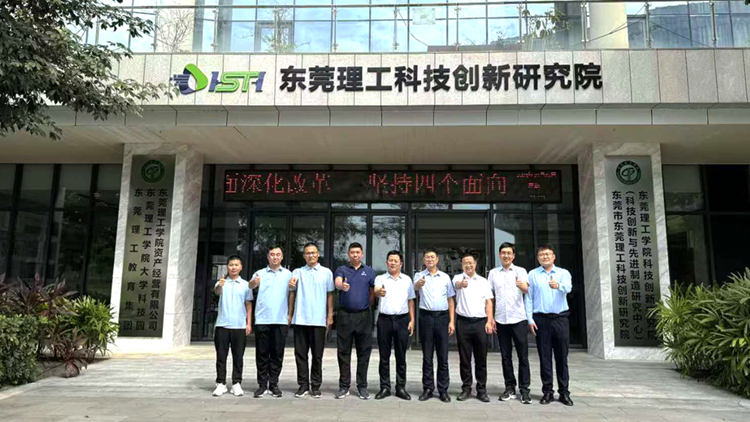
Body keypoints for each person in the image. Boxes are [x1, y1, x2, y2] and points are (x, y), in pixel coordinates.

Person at [526, 244, 574, 406]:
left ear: (553, 256)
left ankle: (564, 392)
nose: (545, 257)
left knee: (562, 357)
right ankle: (547, 391)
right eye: (541, 255)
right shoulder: (532, 274)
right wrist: (529, 319)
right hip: (541, 320)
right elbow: (529, 298)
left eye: (548, 254)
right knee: (544, 356)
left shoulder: (563, 273)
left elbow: (568, 288)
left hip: (560, 319)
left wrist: (558, 286)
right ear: (538, 258)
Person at [288, 243, 334, 399]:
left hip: (319, 320)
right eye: (307, 253)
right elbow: (292, 293)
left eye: (313, 252)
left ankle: (315, 386)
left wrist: (330, 315)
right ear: (304, 256)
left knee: (317, 355)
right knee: (300, 355)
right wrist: (290, 314)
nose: (311, 255)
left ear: (318, 254)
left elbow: (330, 295)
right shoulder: (297, 272)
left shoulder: (326, 273)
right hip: (300, 319)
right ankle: (303, 385)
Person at [488, 242, 531, 404]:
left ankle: (524, 390)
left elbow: (527, 290)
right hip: (501, 320)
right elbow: (490, 297)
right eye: (503, 253)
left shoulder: (521, 271)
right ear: (499, 255)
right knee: (505, 356)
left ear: (513, 256)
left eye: (509, 253)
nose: (506, 255)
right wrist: (491, 318)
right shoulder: (493, 273)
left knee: (523, 356)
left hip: (518, 319)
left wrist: (523, 286)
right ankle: (510, 388)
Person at [333, 242, 376, 400]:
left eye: (358, 252)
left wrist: (367, 306)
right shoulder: (342, 269)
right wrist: (342, 286)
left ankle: (362, 386)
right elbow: (338, 282)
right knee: (343, 352)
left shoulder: (369, 271)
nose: (355, 254)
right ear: (348, 254)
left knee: (364, 352)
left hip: (363, 316)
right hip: (345, 316)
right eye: (352, 252)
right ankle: (344, 386)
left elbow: (373, 291)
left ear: (362, 254)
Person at [248, 245, 291, 398]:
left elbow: (292, 294)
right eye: (272, 254)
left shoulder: (288, 274)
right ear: (268, 257)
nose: (275, 257)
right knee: (262, 354)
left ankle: (273, 384)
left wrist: (290, 315)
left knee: (277, 354)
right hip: (262, 319)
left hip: (280, 320)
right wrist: (254, 283)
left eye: (278, 254)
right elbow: (250, 285)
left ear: (282, 257)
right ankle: (262, 385)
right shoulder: (259, 273)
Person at [413, 248, 456, 403]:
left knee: (443, 355)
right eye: (427, 257)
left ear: (437, 259)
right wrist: (418, 284)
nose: (430, 259)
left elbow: (451, 299)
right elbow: (414, 289)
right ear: (423, 260)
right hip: (426, 317)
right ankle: (428, 388)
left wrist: (452, 321)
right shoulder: (419, 276)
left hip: (442, 317)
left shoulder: (445, 277)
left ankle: (443, 390)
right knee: (427, 355)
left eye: (432, 257)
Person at [374, 250, 416, 401]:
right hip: (384, 320)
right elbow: (376, 290)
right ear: (387, 263)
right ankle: (385, 387)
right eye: (390, 260)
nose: (392, 263)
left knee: (401, 356)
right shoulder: (380, 278)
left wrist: (412, 320)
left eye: (395, 261)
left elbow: (411, 300)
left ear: (401, 263)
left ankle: (400, 387)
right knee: (384, 356)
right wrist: (379, 291)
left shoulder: (407, 280)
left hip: (402, 320)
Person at [452, 253, 494, 403]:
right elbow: (456, 285)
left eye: (471, 262)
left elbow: (489, 302)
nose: (468, 265)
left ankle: (481, 390)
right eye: (465, 263)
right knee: (464, 358)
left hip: (480, 323)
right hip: (463, 323)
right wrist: (461, 284)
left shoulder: (483, 281)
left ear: (475, 264)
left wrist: (489, 321)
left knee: (481, 358)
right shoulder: (457, 278)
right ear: (462, 265)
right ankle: (466, 388)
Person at [212, 255, 253, 397]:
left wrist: (248, 323)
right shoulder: (221, 283)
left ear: (241, 267)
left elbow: (248, 304)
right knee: (221, 356)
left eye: (236, 265)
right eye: (231, 265)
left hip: (239, 326)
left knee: (238, 357)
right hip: (222, 325)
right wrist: (221, 285)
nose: (233, 267)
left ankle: (236, 383)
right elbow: (217, 292)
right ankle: (221, 383)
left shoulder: (246, 285)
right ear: (227, 267)